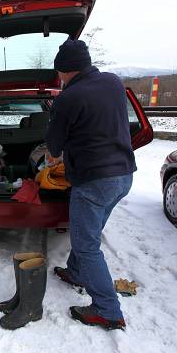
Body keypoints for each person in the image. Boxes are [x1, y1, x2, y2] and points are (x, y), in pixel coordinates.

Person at [46, 39, 136, 331]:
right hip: (123, 176)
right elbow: (95, 117)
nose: (59, 78)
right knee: (90, 232)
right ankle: (76, 273)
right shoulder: (112, 82)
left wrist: (56, 116)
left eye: (60, 73)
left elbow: (53, 151)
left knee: (87, 245)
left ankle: (108, 310)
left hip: (94, 181)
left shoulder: (67, 99)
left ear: (65, 71)